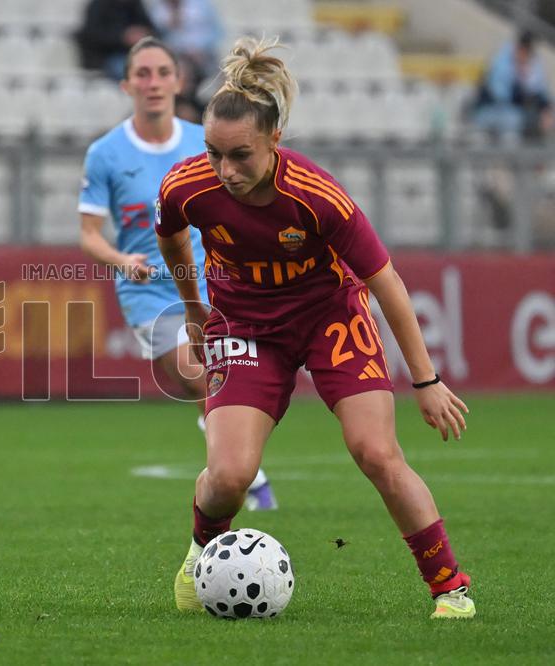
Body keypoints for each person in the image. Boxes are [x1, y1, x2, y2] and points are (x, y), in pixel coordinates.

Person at [156, 36, 475, 619]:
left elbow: (387, 283)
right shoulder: (186, 186)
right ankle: (202, 551)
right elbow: (171, 236)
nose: (226, 170)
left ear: (274, 140)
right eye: (214, 153)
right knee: (229, 476)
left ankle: (449, 588)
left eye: (241, 155)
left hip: (329, 318)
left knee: (376, 452)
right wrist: (194, 308)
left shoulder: (316, 195)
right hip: (244, 327)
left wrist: (426, 381)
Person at [78, 36, 277, 512]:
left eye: (163, 73)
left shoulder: (203, 142)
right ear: (127, 84)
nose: (153, 82)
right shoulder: (105, 153)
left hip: (213, 281)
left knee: (223, 380)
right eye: (142, 74)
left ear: (178, 81)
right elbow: (89, 234)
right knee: (194, 376)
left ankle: (235, 472)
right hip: (148, 290)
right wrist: (122, 260)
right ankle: (248, 477)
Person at [474, 30, 553, 140]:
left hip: (516, 111)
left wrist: (546, 108)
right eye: (523, 50)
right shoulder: (502, 61)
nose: (525, 55)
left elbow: (539, 89)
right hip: (491, 110)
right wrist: (521, 82)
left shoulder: (532, 63)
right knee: (513, 121)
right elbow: (501, 95)